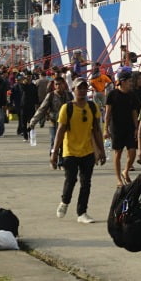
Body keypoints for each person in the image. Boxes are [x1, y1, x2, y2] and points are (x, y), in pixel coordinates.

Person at [51, 79, 105, 223]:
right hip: (70, 151)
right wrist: (54, 152)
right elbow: (60, 131)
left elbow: (97, 130)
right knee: (71, 179)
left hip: (88, 151)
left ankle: (82, 213)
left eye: (84, 88)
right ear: (73, 90)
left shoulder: (92, 107)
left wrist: (101, 150)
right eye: (79, 88)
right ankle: (65, 201)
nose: (82, 91)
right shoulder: (67, 108)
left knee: (86, 182)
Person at [106, 71, 141, 187]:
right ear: (122, 82)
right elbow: (108, 113)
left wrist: (137, 127)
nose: (131, 83)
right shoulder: (112, 94)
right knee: (118, 153)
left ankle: (125, 170)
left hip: (130, 127)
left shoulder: (132, 95)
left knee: (132, 152)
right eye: (129, 81)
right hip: (116, 128)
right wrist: (105, 129)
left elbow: (134, 112)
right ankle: (118, 179)